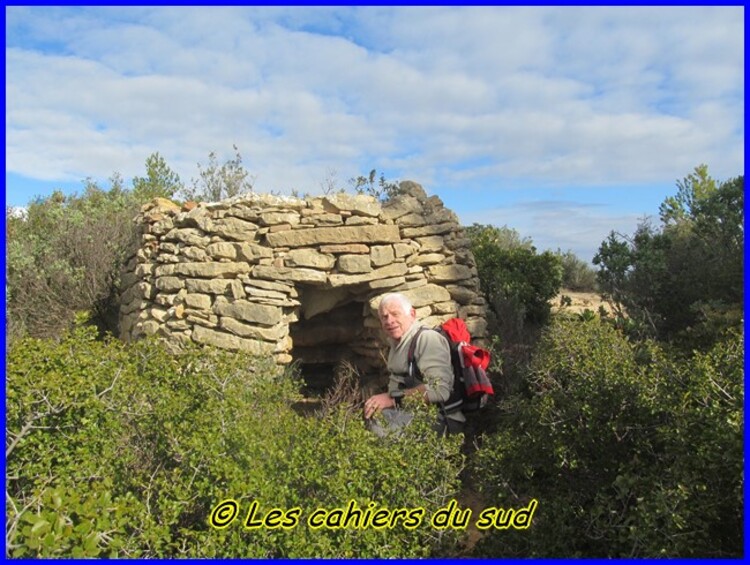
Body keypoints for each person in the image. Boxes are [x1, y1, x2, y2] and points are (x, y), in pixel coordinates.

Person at [364, 293, 465, 436]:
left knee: (379, 428)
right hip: (411, 415)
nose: (389, 321)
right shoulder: (397, 342)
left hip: (442, 420)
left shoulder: (427, 339)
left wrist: (392, 399)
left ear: (412, 314)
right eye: (384, 317)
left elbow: (440, 391)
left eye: (395, 314)